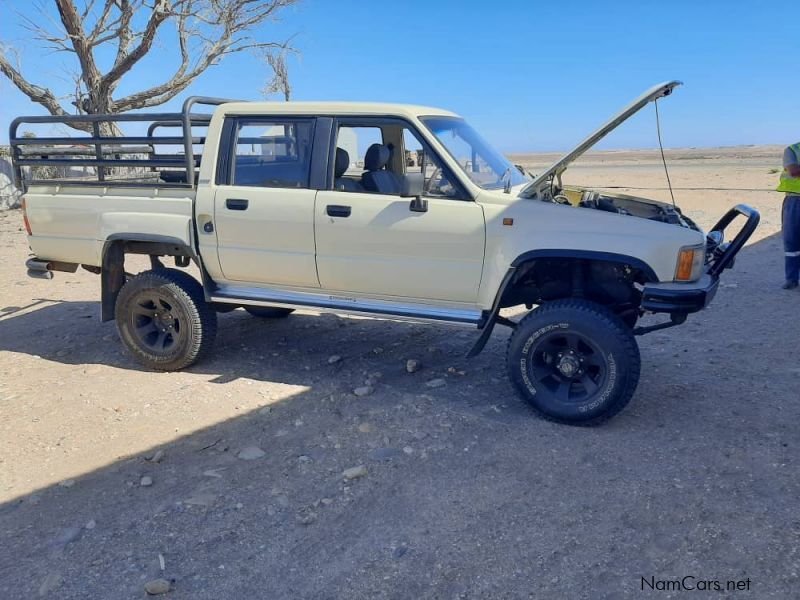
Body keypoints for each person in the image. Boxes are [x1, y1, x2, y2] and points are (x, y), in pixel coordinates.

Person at [778, 142, 800, 289]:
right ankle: (791, 279)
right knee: (792, 240)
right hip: (795, 200)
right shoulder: (792, 150)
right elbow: (794, 171)